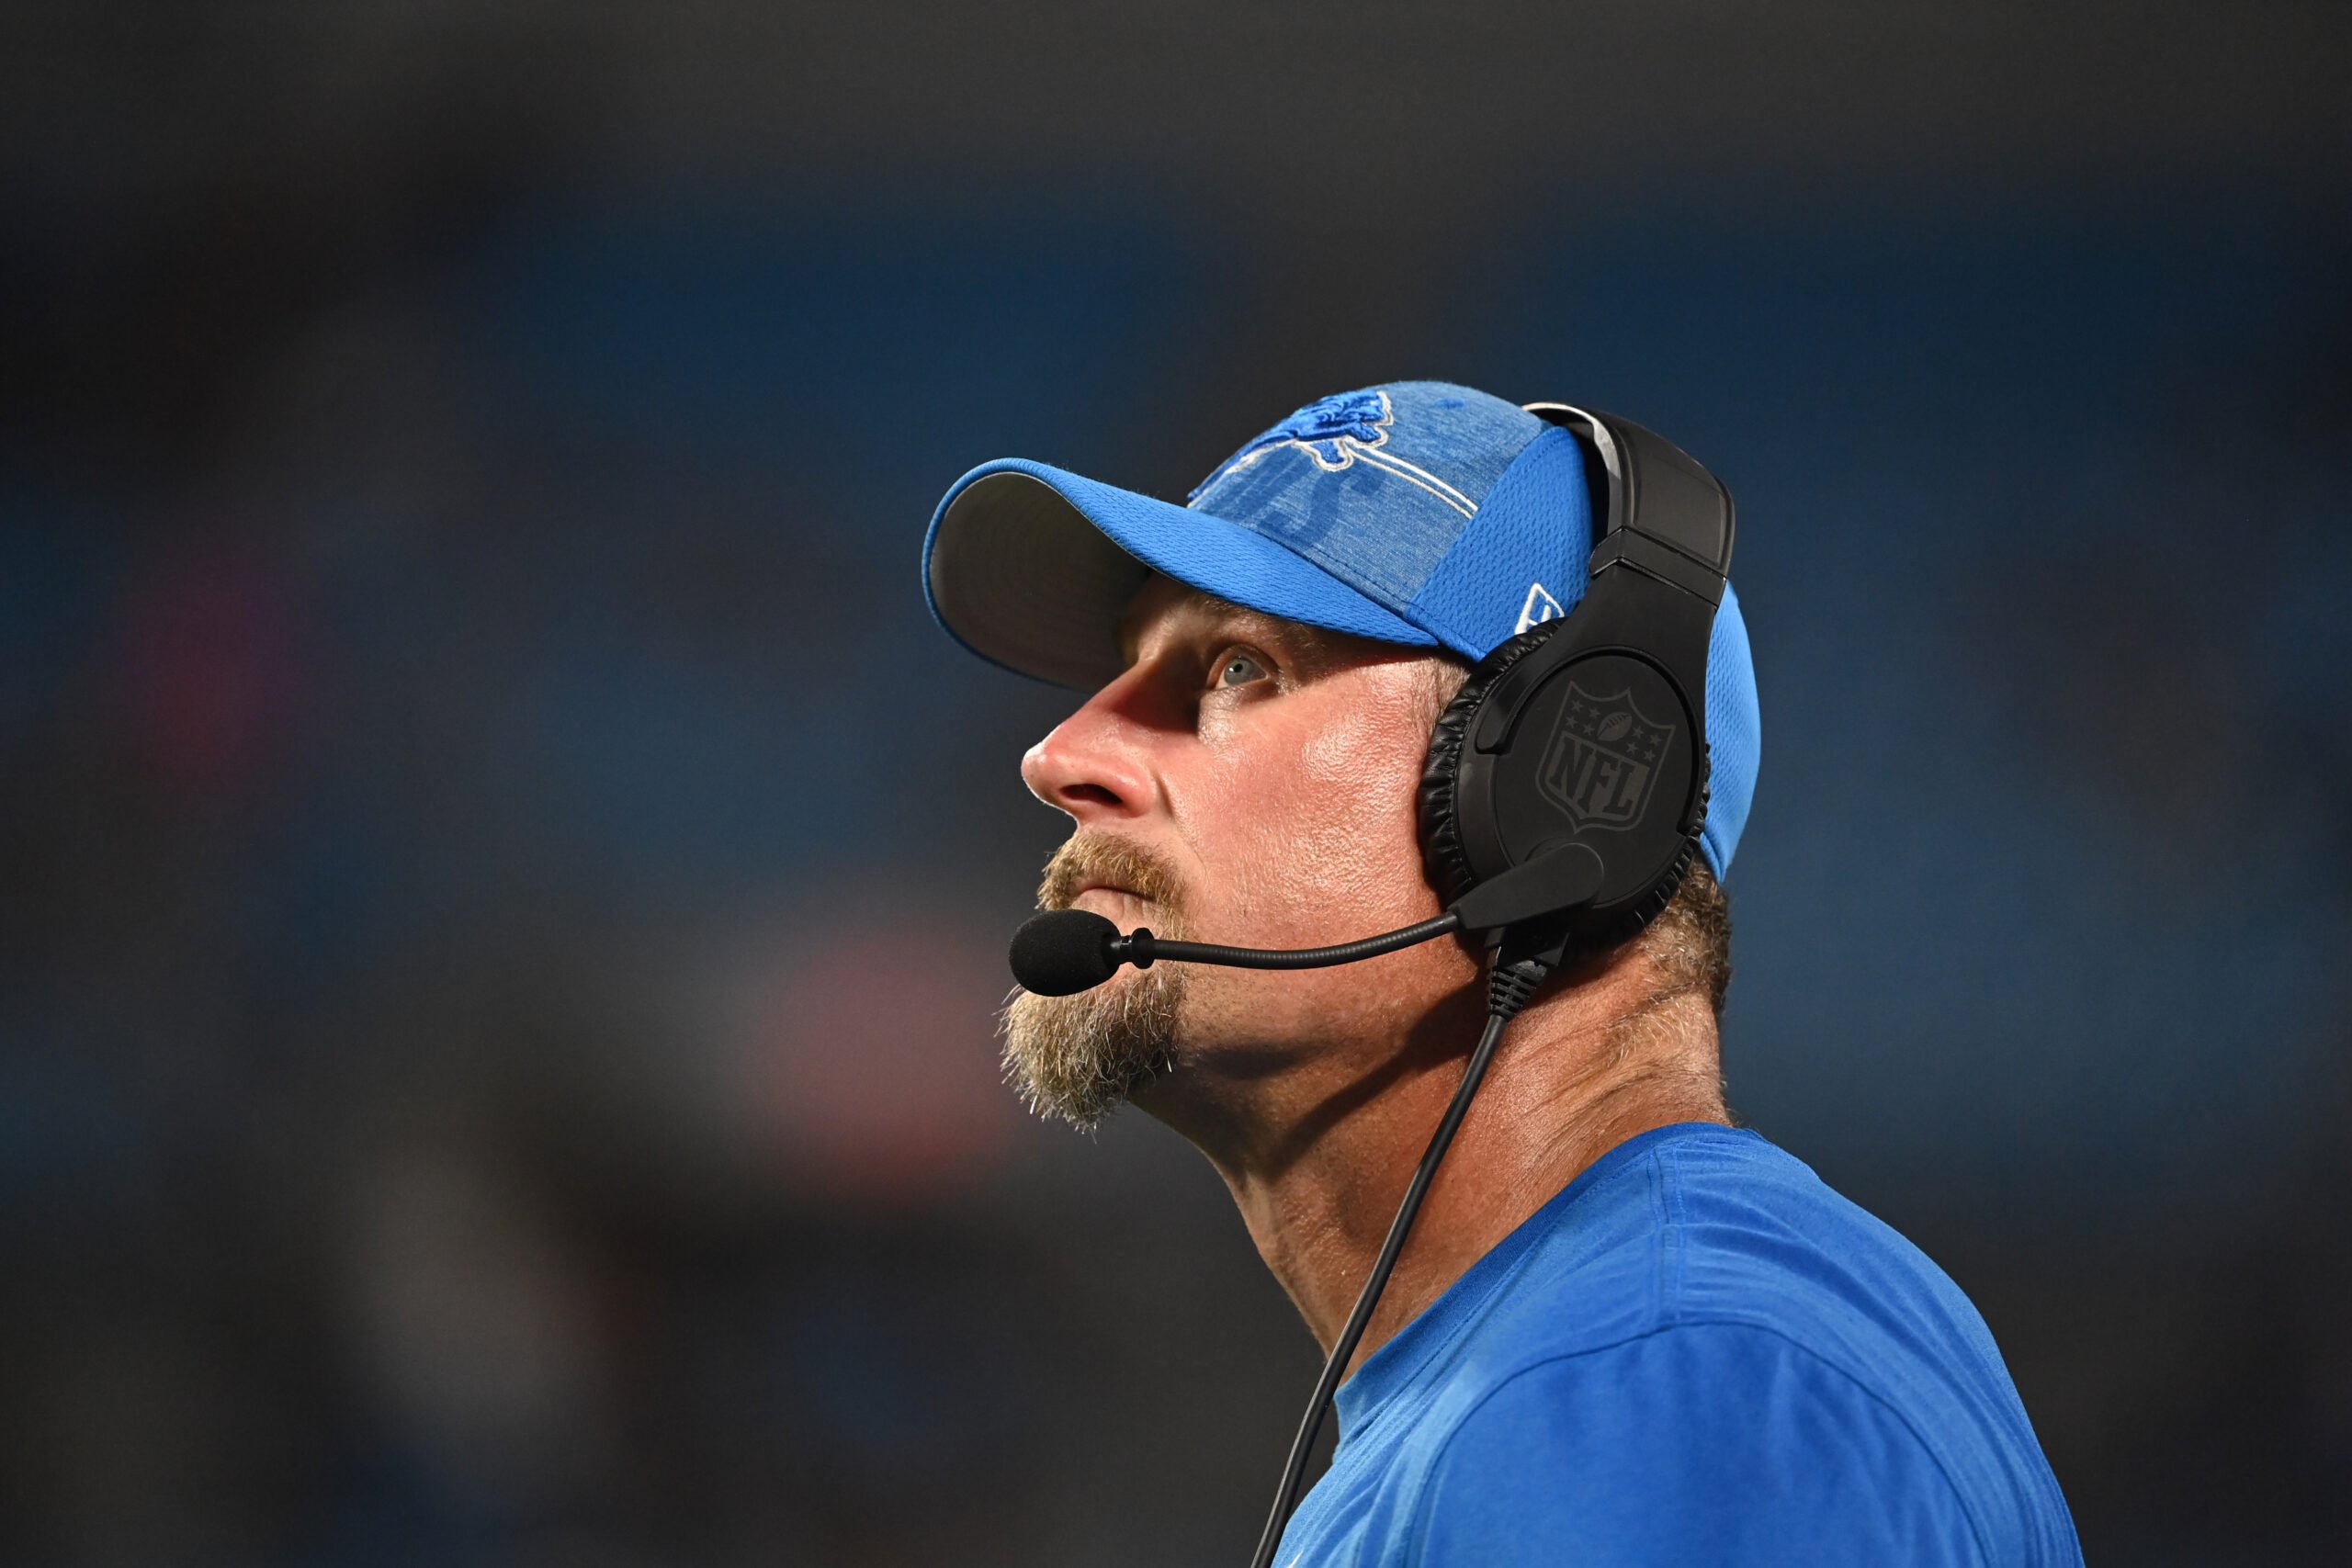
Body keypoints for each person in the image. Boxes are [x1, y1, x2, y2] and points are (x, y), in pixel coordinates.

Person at [920, 382, 2082, 1565]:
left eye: (1236, 669)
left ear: (1562, 799)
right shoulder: (1568, 1380)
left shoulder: (1659, 1389)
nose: (1060, 755)